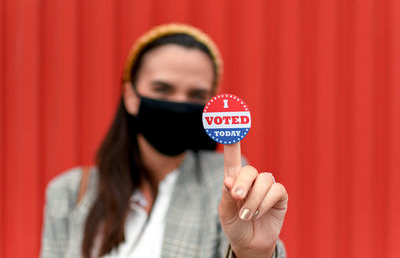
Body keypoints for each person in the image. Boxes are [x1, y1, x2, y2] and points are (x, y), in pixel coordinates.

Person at [40, 23, 288, 258]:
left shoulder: (227, 188)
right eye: (162, 89)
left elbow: (249, 243)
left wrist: (253, 253)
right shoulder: (69, 193)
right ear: (130, 96)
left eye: (196, 94)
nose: (179, 103)